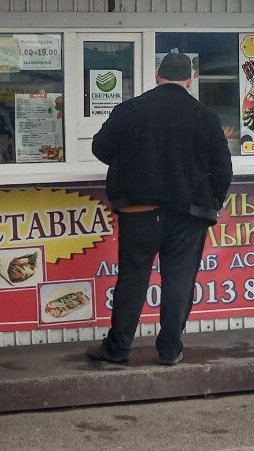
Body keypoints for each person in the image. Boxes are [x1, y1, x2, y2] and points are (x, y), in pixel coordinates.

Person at [87, 52, 233, 366]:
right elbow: (223, 170)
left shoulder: (130, 110)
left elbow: (100, 148)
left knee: (132, 279)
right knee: (179, 281)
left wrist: (131, 157)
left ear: (157, 76)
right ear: (190, 80)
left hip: (139, 210)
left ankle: (117, 348)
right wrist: (211, 204)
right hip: (189, 214)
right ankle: (170, 350)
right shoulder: (206, 117)